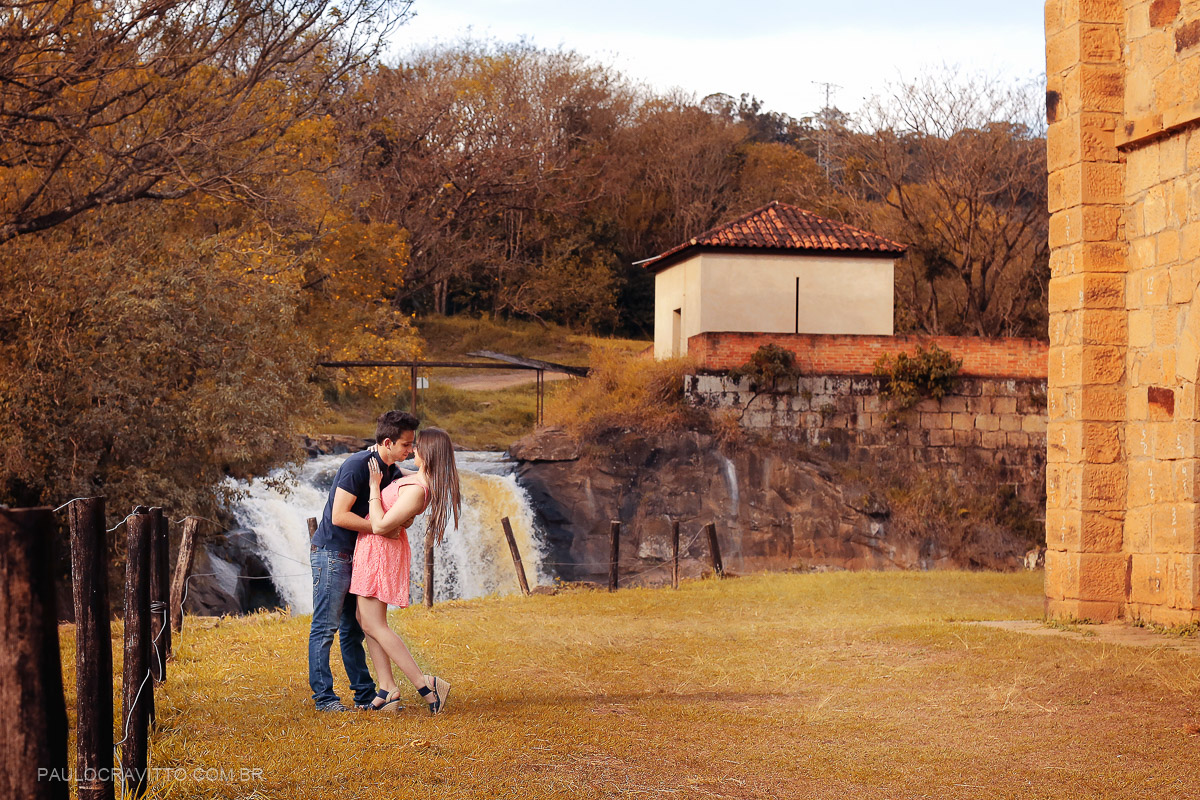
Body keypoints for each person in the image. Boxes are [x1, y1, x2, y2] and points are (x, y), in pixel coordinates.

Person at [308, 410, 419, 712]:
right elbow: (338, 516)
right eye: (406, 446)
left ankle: (364, 695)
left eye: (412, 446)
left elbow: (411, 490)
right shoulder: (357, 466)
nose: (410, 452)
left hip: (358, 557)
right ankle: (325, 700)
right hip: (332, 553)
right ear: (387, 442)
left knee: (354, 630)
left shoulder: (390, 470)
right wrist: (382, 527)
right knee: (325, 627)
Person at [353, 427, 461, 715]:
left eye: (417, 447)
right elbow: (403, 521)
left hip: (380, 552)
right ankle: (387, 689)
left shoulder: (417, 490)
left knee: (374, 624)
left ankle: (426, 685)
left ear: (429, 453)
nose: (413, 451)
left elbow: (379, 525)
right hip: (373, 551)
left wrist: (375, 487)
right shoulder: (414, 480)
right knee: (364, 619)